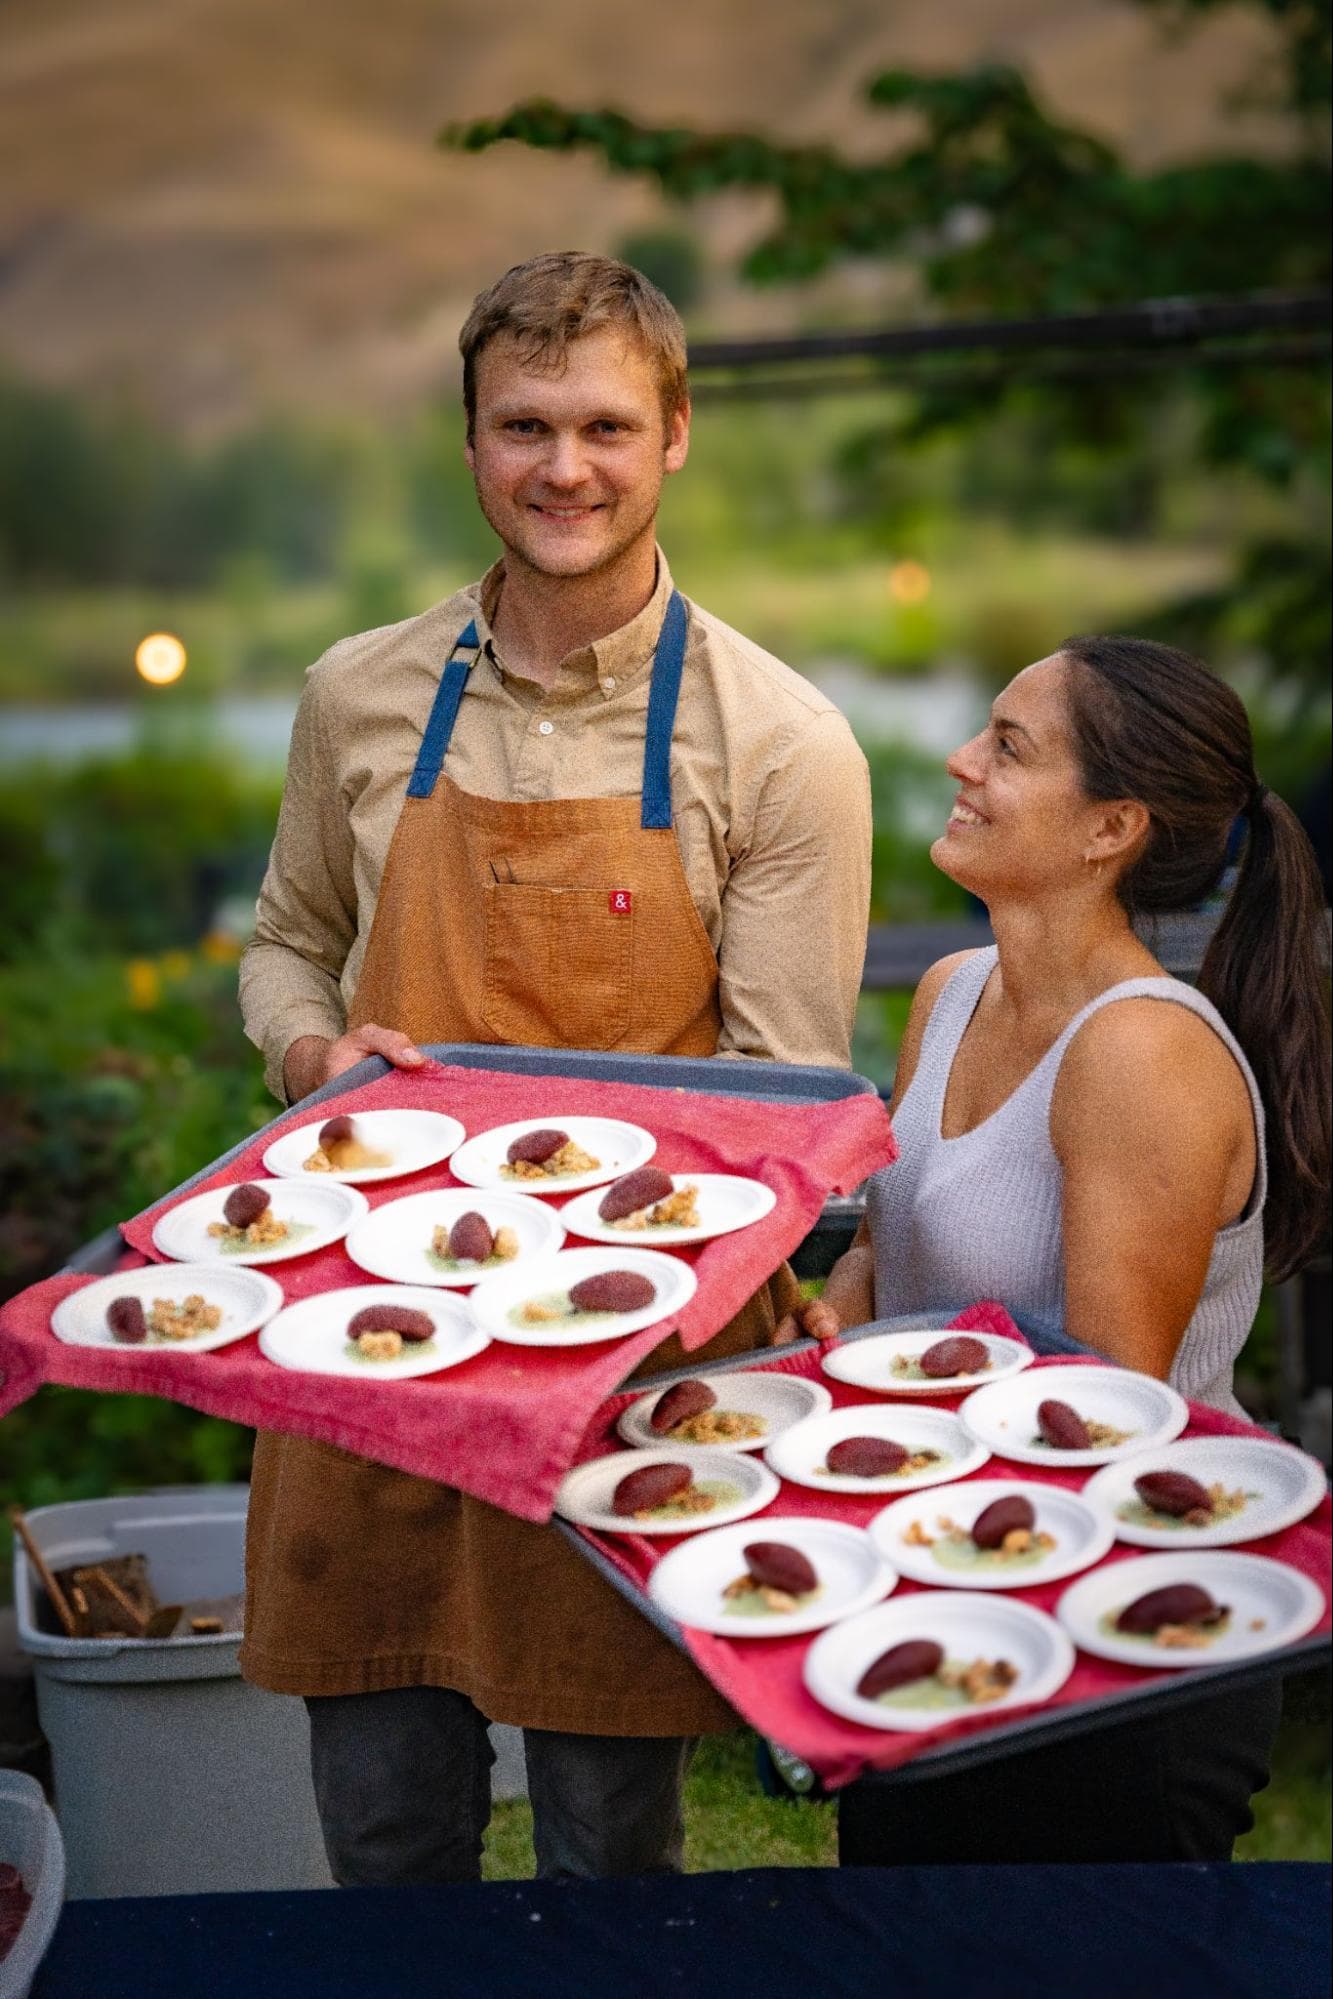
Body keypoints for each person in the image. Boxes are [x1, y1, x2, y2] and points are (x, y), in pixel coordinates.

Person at [236, 251, 872, 1884]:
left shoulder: (780, 740)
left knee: (605, 1840)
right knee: (380, 1829)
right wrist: (311, 1044)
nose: (563, 467)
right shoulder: (355, 693)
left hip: (622, 1371)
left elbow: (780, 1110)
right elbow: (286, 939)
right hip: (360, 1340)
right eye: (523, 425)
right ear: (468, 442)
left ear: (675, 435)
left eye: (602, 424)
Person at [779, 634, 1331, 1863]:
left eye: (1010, 746)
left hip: (1123, 1636)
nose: (959, 759)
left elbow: (1105, 1417)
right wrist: (826, 1321)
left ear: (1109, 828)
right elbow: (890, 1250)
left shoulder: (1139, 1052)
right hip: (944, 1585)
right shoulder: (953, 990)